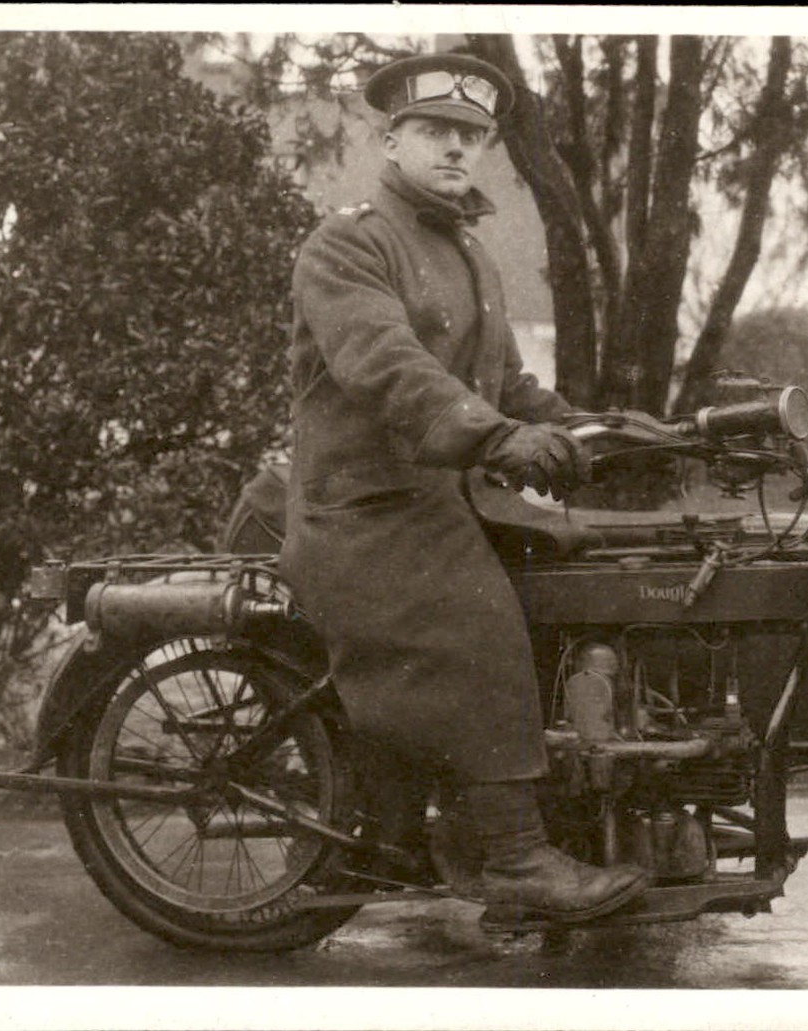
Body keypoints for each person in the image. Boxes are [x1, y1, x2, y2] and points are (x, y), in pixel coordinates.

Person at [277, 53, 650, 927]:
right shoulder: (350, 243)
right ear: (392, 136)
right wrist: (501, 440)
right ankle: (517, 861)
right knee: (481, 618)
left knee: (599, 577)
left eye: (472, 135)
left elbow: (509, 387)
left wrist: (609, 431)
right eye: (437, 131)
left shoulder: (471, 253)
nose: (456, 149)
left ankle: (589, 808)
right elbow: (390, 370)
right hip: (366, 507)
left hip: (444, 497)